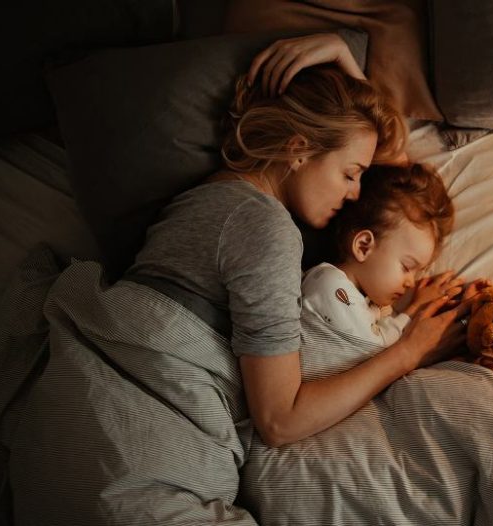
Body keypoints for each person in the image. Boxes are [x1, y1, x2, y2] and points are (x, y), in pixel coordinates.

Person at [128, 33, 472, 448]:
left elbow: (399, 188)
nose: (357, 194)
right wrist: (409, 352)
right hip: (151, 425)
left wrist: (346, 62)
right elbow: (280, 421)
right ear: (298, 149)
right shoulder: (265, 227)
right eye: (350, 174)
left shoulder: (213, 195)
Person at [302, 162, 474, 346]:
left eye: (418, 272)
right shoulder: (329, 284)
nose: (410, 282)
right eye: (407, 267)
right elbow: (374, 349)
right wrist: (413, 310)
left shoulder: (366, 301)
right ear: (363, 247)